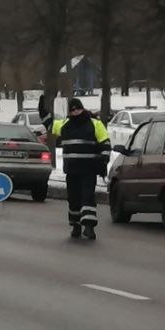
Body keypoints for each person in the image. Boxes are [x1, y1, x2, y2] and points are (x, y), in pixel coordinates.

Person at [52, 98, 111, 240]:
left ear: (82, 109)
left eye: (77, 109)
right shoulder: (65, 124)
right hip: (71, 170)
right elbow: (51, 126)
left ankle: (89, 227)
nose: (75, 112)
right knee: (73, 199)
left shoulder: (95, 124)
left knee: (87, 197)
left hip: (88, 169)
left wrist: (103, 158)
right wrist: (44, 114)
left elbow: (105, 142)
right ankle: (76, 225)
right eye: (72, 110)